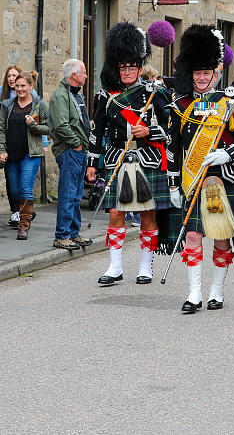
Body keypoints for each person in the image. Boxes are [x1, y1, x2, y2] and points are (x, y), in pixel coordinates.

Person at [167, 24, 234, 313]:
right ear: (190, 73)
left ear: (215, 73)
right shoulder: (181, 106)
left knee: (221, 238)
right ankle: (194, 293)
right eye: (197, 72)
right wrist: (173, 184)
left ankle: (216, 291)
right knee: (193, 236)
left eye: (206, 72)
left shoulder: (229, 103)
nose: (201, 77)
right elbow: (173, 148)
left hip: (225, 178)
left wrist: (227, 153)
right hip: (193, 179)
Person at [86, 22, 175, 285]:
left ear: (139, 68)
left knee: (148, 215)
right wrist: (92, 163)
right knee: (116, 213)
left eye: (132, 68)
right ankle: (115, 267)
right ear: (118, 69)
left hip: (148, 160)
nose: (127, 72)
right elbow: (96, 130)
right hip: (117, 159)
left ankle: (146, 266)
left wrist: (149, 131)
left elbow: (173, 127)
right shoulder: (106, 96)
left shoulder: (155, 93)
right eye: (123, 68)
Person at [49, 59, 94, 250]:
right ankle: (62, 235)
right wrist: (76, 144)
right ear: (74, 75)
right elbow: (60, 125)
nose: (86, 76)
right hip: (70, 150)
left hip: (78, 150)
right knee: (68, 194)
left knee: (76, 195)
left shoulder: (76, 94)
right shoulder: (61, 95)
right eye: (83, 73)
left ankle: (73, 233)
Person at [0, 71, 49, 239]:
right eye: (17, 86)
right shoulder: (6, 105)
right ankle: (26, 211)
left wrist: (34, 125)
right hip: (11, 153)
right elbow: (1, 130)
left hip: (31, 153)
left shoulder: (39, 104)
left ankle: (23, 226)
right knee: (14, 191)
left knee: (25, 188)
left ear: (31, 86)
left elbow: (49, 128)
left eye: (23, 86)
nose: (19, 89)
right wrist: (1, 150)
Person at [4, 65, 24, 226]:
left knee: (23, 181)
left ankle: (23, 211)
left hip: (23, 145)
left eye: (14, 76)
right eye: (9, 76)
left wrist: (44, 143)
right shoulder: (3, 95)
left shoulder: (30, 95)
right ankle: (16, 211)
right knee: (10, 181)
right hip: (6, 144)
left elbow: (40, 118)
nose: (11, 79)